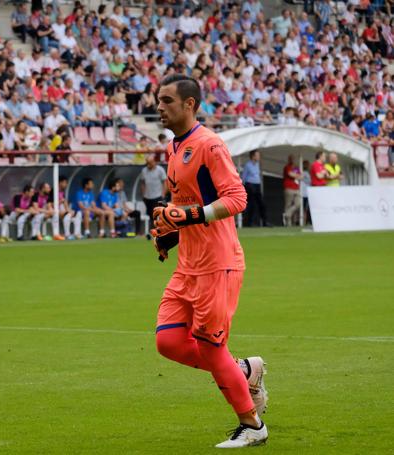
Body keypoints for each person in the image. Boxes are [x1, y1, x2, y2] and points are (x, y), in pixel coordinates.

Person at [153, 74, 267, 448]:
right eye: (158, 99)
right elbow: (182, 203)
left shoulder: (211, 145)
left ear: (189, 104)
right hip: (188, 265)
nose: (159, 107)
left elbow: (237, 198)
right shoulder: (174, 147)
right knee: (168, 342)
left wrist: (189, 217)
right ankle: (244, 371)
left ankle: (252, 425)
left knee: (210, 348)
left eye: (167, 100)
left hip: (218, 263)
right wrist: (168, 230)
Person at [140, 156, 167, 238]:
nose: (148, 165)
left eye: (150, 163)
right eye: (147, 163)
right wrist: (143, 194)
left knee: (158, 215)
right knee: (150, 215)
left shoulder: (160, 170)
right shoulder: (144, 170)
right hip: (147, 197)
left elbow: (165, 182)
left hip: (158, 196)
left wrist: (163, 194)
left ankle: (159, 232)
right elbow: (143, 183)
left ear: (154, 162)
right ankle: (152, 232)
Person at [241, 150, 269, 227]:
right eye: (257, 155)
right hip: (250, 185)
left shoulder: (257, 164)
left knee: (261, 204)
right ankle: (249, 223)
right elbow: (244, 177)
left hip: (257, 185)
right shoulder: (247, 165)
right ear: (253, 156)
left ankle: (264, 222)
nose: (258, 157)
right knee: (251, 204)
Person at [57, 175, 82, 240]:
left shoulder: (62, 192)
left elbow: (65, 203)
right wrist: (61, 202)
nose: (66, 184)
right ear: (60, 183)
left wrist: (69, 210)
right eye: (65, 183)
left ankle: (77, 233)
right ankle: (67, 234)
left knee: (78, 213)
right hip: (56, 210)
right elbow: (51, 204)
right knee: (68, 215)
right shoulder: (53, 191)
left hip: (63, 210)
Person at [282, 155, 302, 227]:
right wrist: (296, 175)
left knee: (298, 203)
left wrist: (295, 175)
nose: (292, 160)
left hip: (296, 188)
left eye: (293, 159)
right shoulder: (287, 167)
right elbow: (290, 174)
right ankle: (288, 223)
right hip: (289, 188)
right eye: (291, 159)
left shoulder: (296, 168)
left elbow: (301, 177)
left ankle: (287, 214)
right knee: (288, 204)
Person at [301, 160, 312, 225]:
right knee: (304, 209)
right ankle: (303, 222)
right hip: (304, 193)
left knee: (306, 208)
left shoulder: (307, 173)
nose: (309, 166)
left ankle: (305, 221)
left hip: (306, 193)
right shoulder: (303, 173)